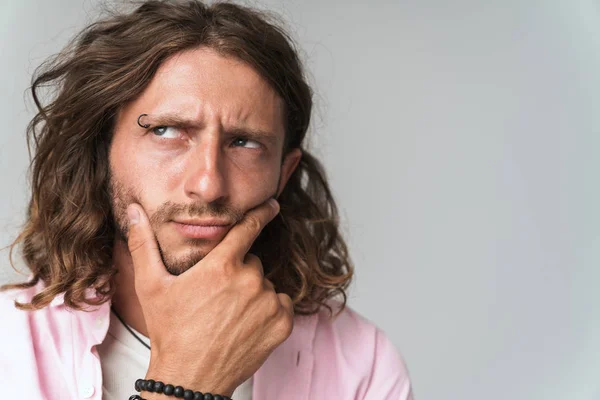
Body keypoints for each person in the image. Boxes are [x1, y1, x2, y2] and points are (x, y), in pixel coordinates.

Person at [0, 1, 414, 399]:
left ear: (283, 174)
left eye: (244, 142)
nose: (209, 184)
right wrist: (184, 383)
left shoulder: (361, 362)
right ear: (101, 154)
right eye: (166, 131)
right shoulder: (9, 347)